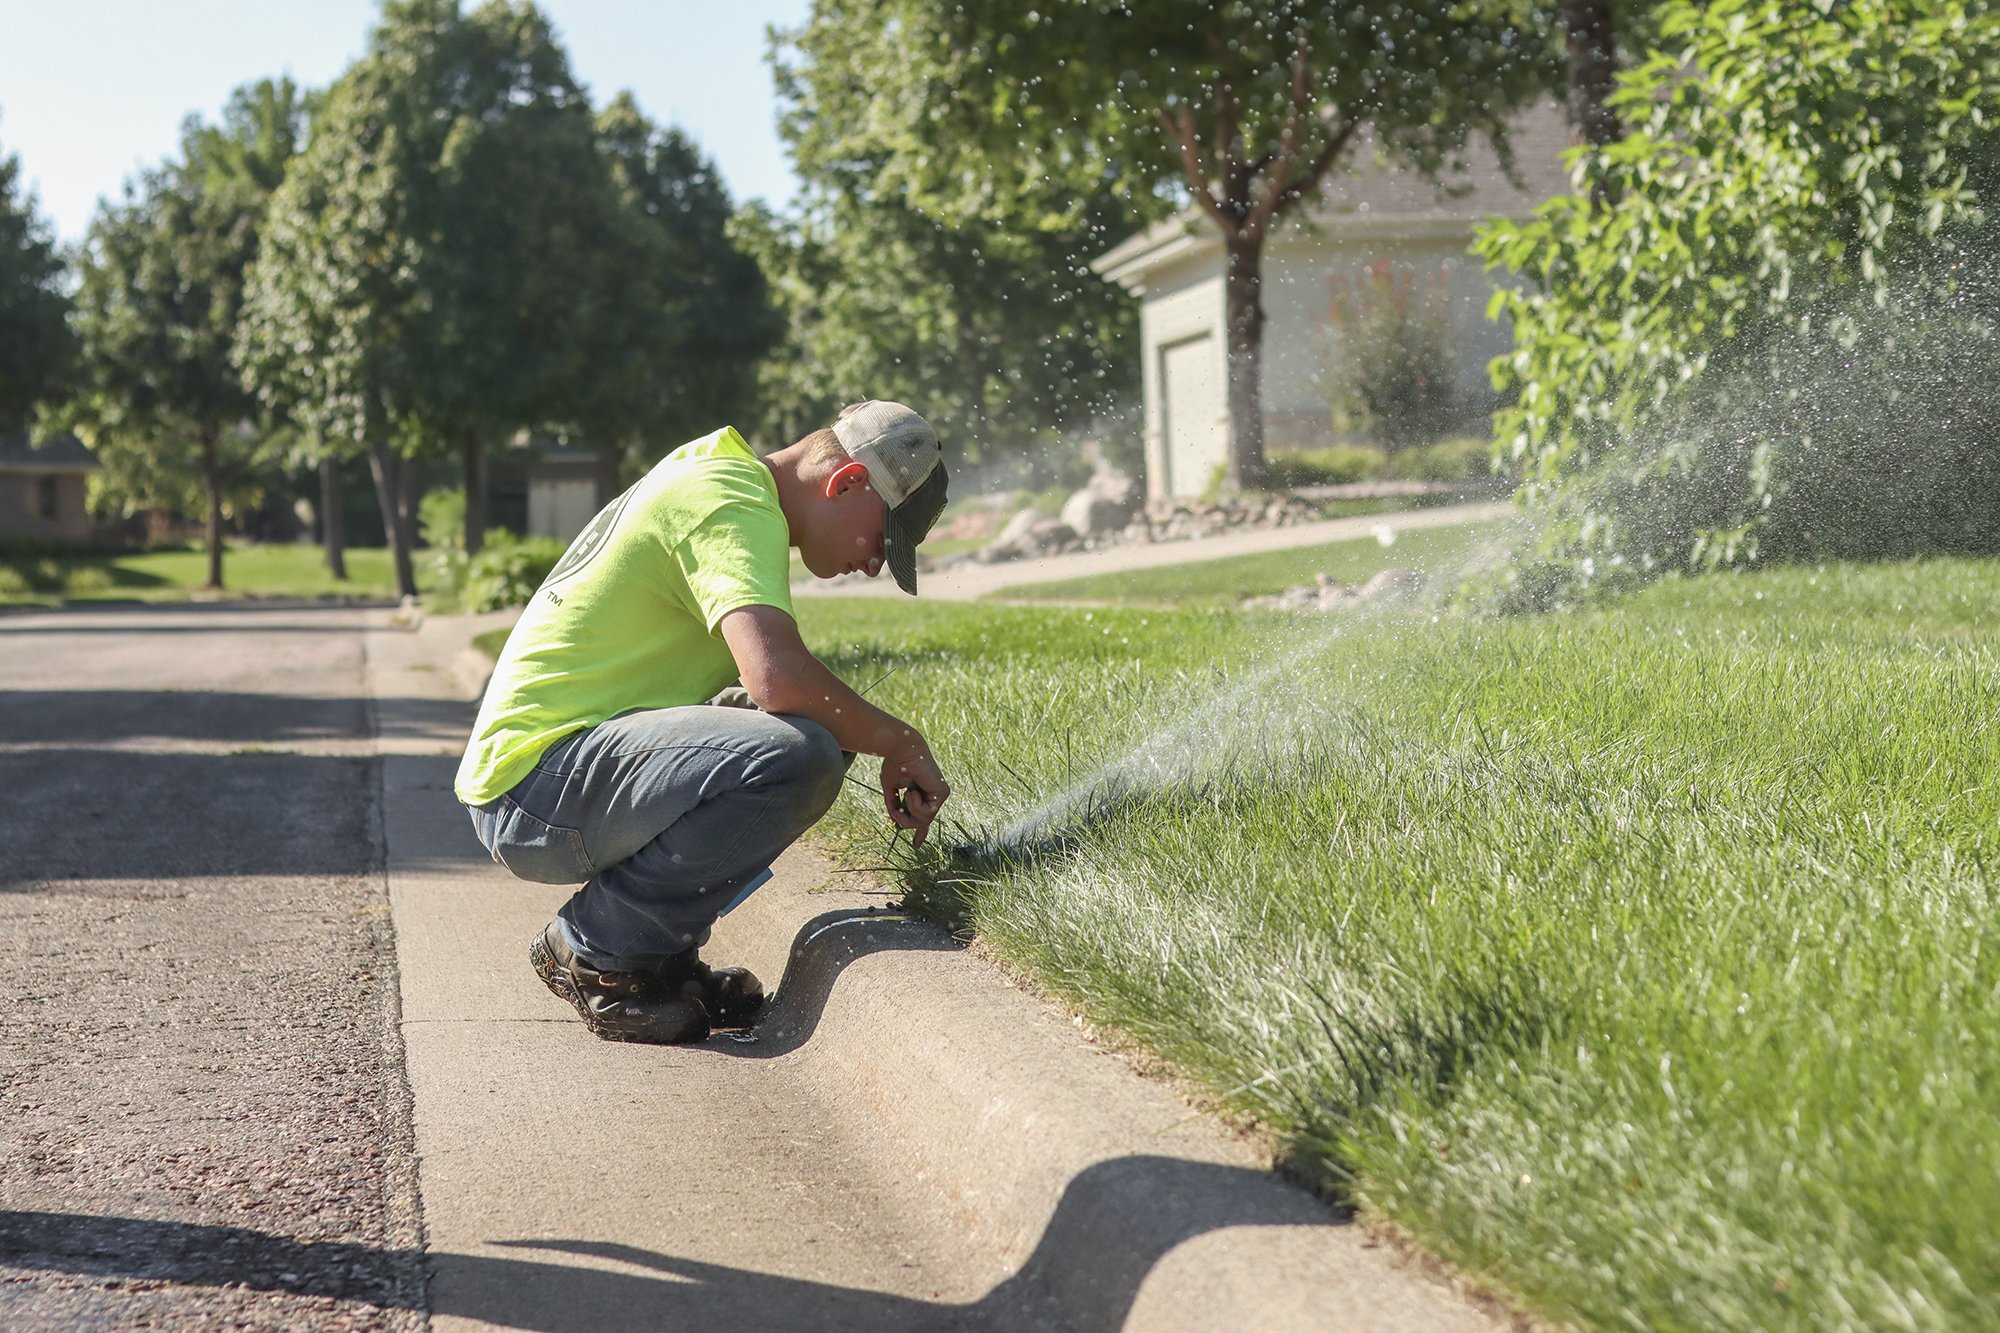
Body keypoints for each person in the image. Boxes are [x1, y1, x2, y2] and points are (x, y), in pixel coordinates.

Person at [454, 400, 953, 1044]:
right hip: (534, 789)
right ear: (847, 482)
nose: (876, 563)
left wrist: (868, 732)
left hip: (553, 776)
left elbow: (770, 690)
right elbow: (779, 679)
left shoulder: (727, 483)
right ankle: (601, 949)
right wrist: (899, 740)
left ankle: (654, 955)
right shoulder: (726, 501)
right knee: (798, 753)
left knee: (813, 732)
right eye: (884, 538)